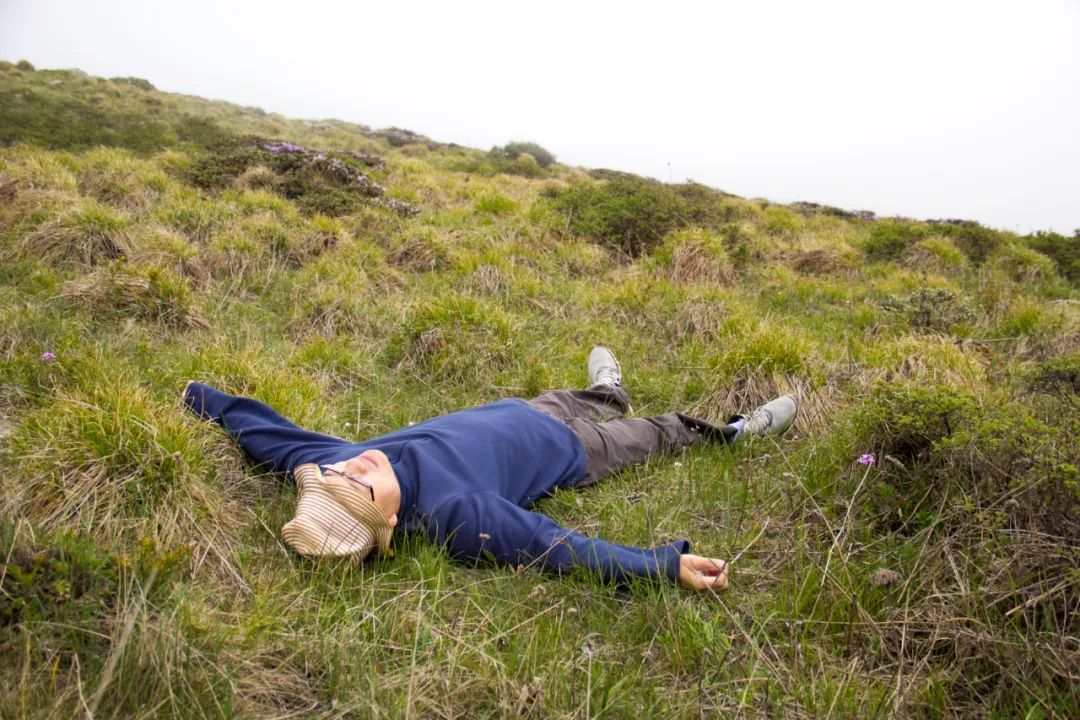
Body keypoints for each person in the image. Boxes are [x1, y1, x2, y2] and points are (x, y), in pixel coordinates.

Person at [180, 347, 797, 592]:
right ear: (388, 518)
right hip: (576, 455)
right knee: (659, 433)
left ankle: (608, 387)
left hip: (524, 410)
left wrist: (199, 398)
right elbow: (554, 547)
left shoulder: (340, 464)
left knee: (587, 399)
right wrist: (660, 564)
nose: (349, 467)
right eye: (356, 483)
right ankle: (738, 431)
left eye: (333, 474)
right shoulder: (456, 515)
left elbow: (269, 437)